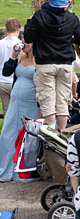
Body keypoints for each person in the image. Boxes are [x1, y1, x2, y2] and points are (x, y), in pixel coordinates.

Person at [23, 0, 80, 130]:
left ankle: (50, 133)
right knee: (63, 101)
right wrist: (68, 39)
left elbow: (28, 37)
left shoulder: (39, 16)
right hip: (65, 64)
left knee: (47, 101)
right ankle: (62, 133)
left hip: (45, 64)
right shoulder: (72, 17)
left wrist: (30, 23)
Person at [0, 42, 38, 182]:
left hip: (31, 104)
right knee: (7, 134)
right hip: (15, 103)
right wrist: (13, 57)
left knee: (26, 136)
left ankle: (21, 170)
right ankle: (5, 169)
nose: (24, 43)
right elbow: (6, 72)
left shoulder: (40, 61)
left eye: (27, 41)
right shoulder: (20, 57)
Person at [0, 18, 21, 113]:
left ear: (6, 29)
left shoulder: (1, 43)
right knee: (18, 110)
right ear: (18, 30)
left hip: (2, 80)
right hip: (16, 81)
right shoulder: (21, 45)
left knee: (7, 110)